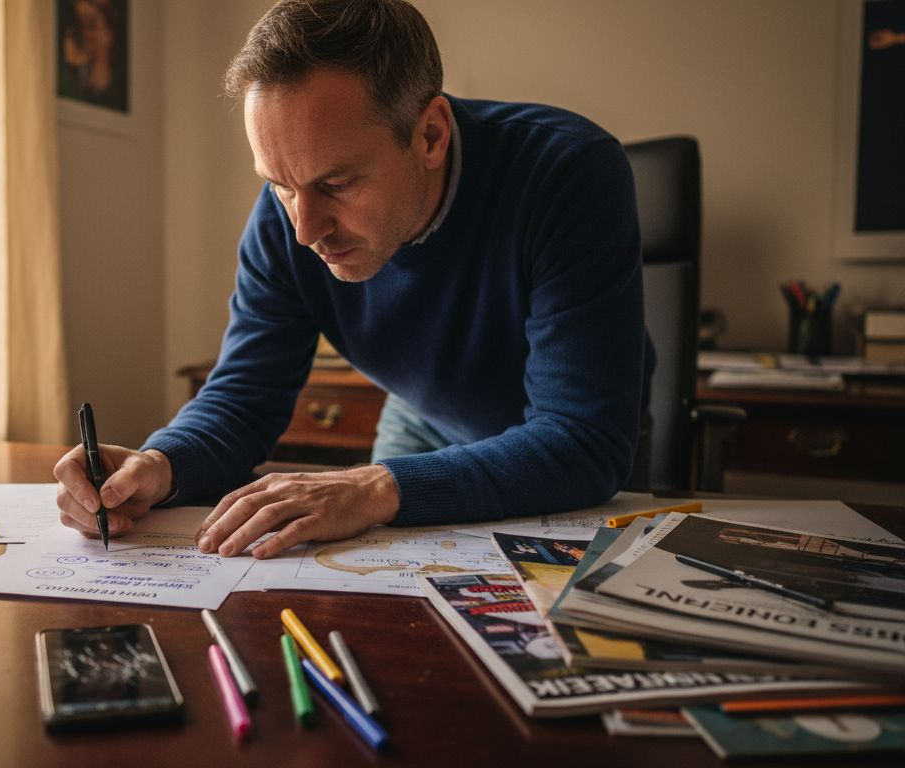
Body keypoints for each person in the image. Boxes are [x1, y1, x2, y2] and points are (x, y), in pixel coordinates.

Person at [56, 0, 652, 560]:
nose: (304, 231)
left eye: (337, 184)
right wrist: (161, 464)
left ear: (430, 136)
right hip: (422, 419)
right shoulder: (285, 217)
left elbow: (581, 439)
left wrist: (371, 488)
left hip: (567, 452)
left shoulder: (567, 173)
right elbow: (243, 398)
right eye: (280, 184)